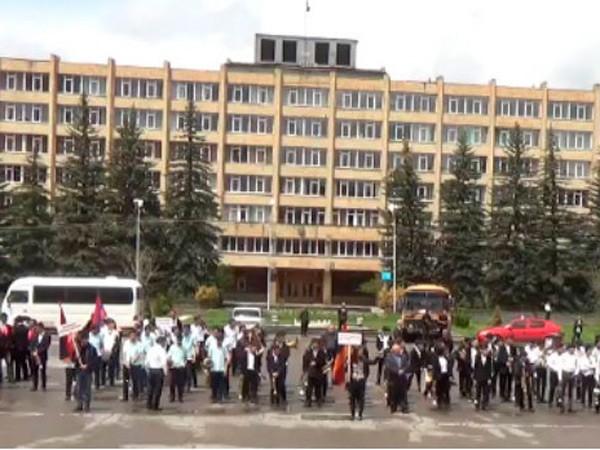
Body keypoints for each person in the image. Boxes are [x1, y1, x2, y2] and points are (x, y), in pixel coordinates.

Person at [74, 332, 98, 413]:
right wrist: (76, 358)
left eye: (84, 340)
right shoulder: (78, 348)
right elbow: (74, 360)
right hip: (79, 371)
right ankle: (79, 404)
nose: (83, 342)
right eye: (82, 340)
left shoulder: (92, 349)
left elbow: (95, 361)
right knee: (78, 388)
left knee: (87, 389)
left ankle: (87, 405)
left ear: (87, 339)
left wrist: (87, 366)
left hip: (88, 371)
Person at [346, 346, 372, 420]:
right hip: (353, 381)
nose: (360, 353)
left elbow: (371, 362)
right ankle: (352, 414)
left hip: (361, 381)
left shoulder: (364, 359)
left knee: (361, 399)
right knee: (352, 399)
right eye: (359, 351)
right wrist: (347, 364)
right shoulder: (351, 359)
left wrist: (378, 357)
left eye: (361, 351)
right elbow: (346, 369)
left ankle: (360, 414)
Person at [384, 343, 410, 414]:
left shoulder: (403, 356)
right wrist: (397, 371)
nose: (400, 351)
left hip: (402, 379)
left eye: (399, 349)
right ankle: (393, 407)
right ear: (394, 351)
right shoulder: (389, 357)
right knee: (393, 394)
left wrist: (403, 370)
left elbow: (407, 365)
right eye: (398, 350)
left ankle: (404, 408)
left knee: (403, 394)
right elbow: (388, 367)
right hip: (393, 379)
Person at [145, 336, 168, 411]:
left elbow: (146, 362)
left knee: (150, 388)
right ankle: (155, 405)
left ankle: (148, 404)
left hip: (151, 370)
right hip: (159, 371)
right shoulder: (162, 350)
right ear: (161, 342)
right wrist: (166, 373)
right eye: (164, 342)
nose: (165, 344)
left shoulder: (150, 349)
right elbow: (164, 363)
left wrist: (147, 370)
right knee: (157, 389)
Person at [302, 339, 327, 407]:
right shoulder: (308, 352)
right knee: (309, 388)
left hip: (318, 373)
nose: (315, 345)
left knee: (318, 388)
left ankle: (318, 400)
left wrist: (316, 362)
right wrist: (305, 371)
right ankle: (308, 401)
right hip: (310, 373)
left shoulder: (321, 352)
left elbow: (323, 362)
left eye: (316, 344)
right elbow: (305, 361)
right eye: (313, 344)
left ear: (318, 345)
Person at [207, 333, 228, 403]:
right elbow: (209, 358)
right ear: (216, 340)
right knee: (214, 385)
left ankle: (220, 398)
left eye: (221, 340)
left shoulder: (224, 348)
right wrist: (208, 368)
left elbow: (226, 359)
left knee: (221, 385)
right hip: (213, 369)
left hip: (221, 369)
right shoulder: (212, 347)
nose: (219, 342)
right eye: (218, 340)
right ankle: (214, 397)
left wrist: (225, 369)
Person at [29, 322, 50, 391]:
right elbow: (31, 344)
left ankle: (43, 386)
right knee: (34, 371)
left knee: (42, 371)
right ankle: (35, 386)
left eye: (37, 328)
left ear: (41, 328)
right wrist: (32, 351)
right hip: (34, 356)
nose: (36, 330)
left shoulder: (47, 336)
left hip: (42, 357)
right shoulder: (35, 335)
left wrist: (38, 351)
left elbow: (46, 346)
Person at [558, 345, 578, 413]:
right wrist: (560, 377)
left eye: (573, 349)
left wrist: (575, 373)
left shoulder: (575, 356)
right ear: (568, 349)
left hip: (572, 373)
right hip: (565, 373)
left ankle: (570, 407)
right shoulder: (563, 356)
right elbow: (560, 366)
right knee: (562, 391)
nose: (572, 350)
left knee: (571, 391)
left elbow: (577, 366)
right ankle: (562, 406)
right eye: (571, 349)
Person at [513, 348, 534, 412]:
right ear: (521, 357)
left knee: (529, 393)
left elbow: (531, 369)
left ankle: (530, 406)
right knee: (521, 393)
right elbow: (516, 372)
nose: (525, 358)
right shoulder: (518, 363)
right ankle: (521, 406)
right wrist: (522, 374)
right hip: (520, 379)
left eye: (525, 356)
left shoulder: (528, 362)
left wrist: (529, 373)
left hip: (526, 379)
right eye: (523, 356)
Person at [167, 334, 186, 403]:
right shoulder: (172, 347)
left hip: (181, 367)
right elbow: (168, 356)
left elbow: (185, 357)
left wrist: (184, 364)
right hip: (173, 367)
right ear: (176, 340)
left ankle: (180, 397)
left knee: (180, 384)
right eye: (178, 340)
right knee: (172, 383)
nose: (179, 341)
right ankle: (172, 397)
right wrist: (169, 362)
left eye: (180, 340)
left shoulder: (184, 348)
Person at [100, 320, 119, 387]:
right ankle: (103, 382)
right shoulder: (103, 332)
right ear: (107, 325)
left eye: (112, 324)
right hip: (104, 351)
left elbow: (117, 343)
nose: (111, 325)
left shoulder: (116, 333)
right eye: (110, 324)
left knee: (111, 368)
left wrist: (113, 351)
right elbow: (101, 341)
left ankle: (111, 382)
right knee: (103, 368)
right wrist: (102, 349)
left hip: (112, 352)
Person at [473, 347, 492, 411]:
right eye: (485, 350)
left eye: (487, 351)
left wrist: (489, 378)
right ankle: (476, 404)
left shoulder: (489, 359)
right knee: (477, 393)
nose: (486, 352)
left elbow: (490, 369)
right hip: (478, 378)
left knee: (485, 392)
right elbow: (475, 369)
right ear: (481, 351)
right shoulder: (477, 358)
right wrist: (475, 378)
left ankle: (484, 405)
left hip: (486, 378)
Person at [433, 344, 451, 409]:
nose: (445, 352)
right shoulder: (436, 359)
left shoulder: (446, 358)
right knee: (439, 390)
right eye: (444, 351)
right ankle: (439, 402)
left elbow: (449, 366)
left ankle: (447, 401)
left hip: (445, 375)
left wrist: (450, 374)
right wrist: (436, 377)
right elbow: (435, 368)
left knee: (446, 389)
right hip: (439, 376)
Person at [88, 325, 103, 389]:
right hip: (90, 355)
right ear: (92, 330)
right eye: (94, 330)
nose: (96, 331)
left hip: (98, 355)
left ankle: (97, 384)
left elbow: (101, 345)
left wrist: (101, 351)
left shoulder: (99, 336)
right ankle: (89, 383)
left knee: (97, 371)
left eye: (97, 330)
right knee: (89, 370)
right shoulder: (89, 335)